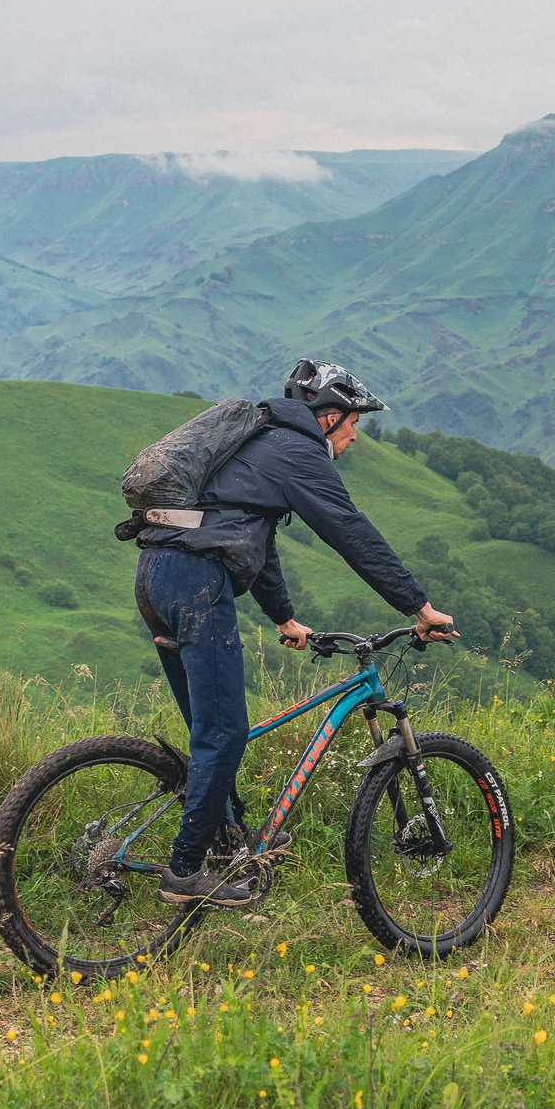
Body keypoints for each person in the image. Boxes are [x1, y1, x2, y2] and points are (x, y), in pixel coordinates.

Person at [131, 359, 455, 907]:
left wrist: (283, 618)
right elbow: (350, 532)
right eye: (353, 423)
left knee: (210, 731)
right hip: (194, 581)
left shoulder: (260, 445)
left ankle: (225, 839)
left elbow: (251, 538)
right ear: (328, 416)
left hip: (157, 578)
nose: (354, 435)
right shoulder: (299, 452)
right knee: (225, 733)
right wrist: (418, 605)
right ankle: (183, 872)